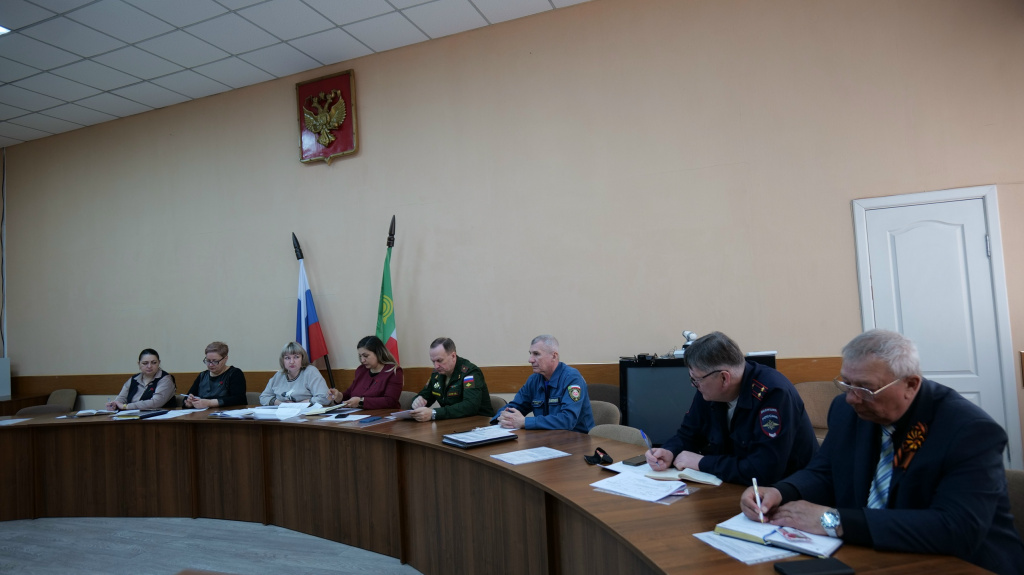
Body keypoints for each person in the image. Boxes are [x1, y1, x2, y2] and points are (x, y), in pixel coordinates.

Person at [739, 330, 1024, 575]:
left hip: (963, 564)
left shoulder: (968, 430)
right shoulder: (848, 411)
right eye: (846, 383)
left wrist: (833, 521)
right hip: (875, 555)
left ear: (910, 384)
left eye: (866, 388)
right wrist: (781, 492)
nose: (852, 398)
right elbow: (826, 471)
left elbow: (956, 528)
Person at [646, 331, 817, 485]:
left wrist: (701, 462)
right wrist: (669, 451)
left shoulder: (773, 394)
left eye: (696, 380)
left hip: (789, 492)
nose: (693, 385)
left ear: (724, 378)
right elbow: (689, 433)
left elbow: (764, 470)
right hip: (733, 485)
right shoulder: (709, 390)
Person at [492, 335, 594, 433]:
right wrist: (502, 417)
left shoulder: (572, 378)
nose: (530, 360)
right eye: (530, 353)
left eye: (536, 354)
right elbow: (515, 406)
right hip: (547, 437)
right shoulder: (534, 380)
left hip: (578, 438)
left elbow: (567, 420)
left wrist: (525, 422)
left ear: (554, 356)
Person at [410, 337, 493, 422]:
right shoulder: (437, 374)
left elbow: (470, 406)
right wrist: (417, 401)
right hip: (452, 423)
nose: (436, 366)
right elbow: (425, 394)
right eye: (433, 361)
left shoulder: (469, 373)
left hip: (479, 423)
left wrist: (434, 413)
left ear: (453, 356)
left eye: (439, 360)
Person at [327, 335, 403, 409]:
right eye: (360, 356)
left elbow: (390, 401)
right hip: (359, 415)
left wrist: (361, 402)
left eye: (366, 356)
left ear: (378, 353)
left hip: (384, 415)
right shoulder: (361, 370)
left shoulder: (393, 371)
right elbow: (350, 393)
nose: (362, 360)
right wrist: (339, 396)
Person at [259, 342, 330, 406]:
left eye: (296, 357)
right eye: (287, 358)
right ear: (283, 360)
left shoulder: (310, 372)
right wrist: (281, 403)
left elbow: (325, 398)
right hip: (284, 413)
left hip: (307, 414)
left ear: (302, 358)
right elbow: (263, 397)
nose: (292, 362)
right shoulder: (279, 375)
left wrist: (298, 404)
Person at [106, 348, 176, 411]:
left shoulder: (166, 379)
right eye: (145, 363)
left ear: (159, 363)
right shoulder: (134, 379)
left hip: (158, 418)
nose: (149, 366)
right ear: (139, 364)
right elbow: (121, 398)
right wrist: (115, 405)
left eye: (154, 363)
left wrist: (126, 406)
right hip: (132, 416)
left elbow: (156, 402)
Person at [184, 341, 247, 408]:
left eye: (215, 361)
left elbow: (239, 399)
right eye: (208, 361)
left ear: (225, 359)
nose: (211, 365)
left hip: (225, 413)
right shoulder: (203, 375)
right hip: (202, 413)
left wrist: (210, 403)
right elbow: (186, 398)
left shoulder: (234, 373)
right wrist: (189, 403)